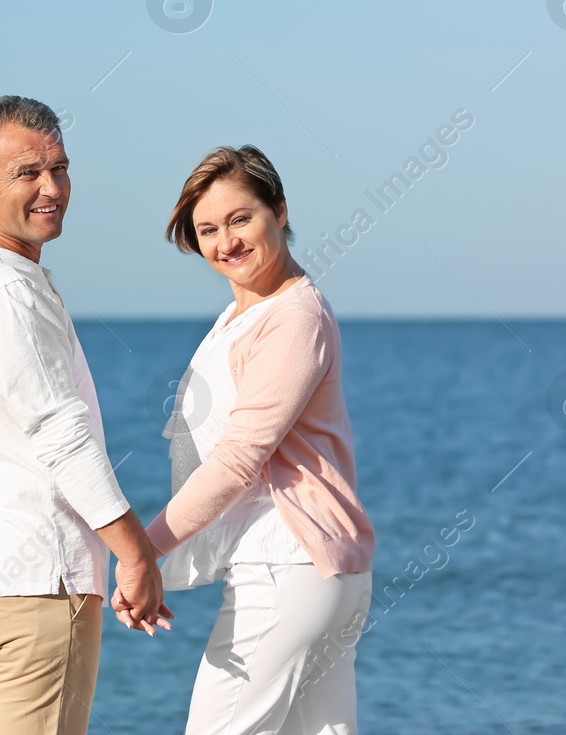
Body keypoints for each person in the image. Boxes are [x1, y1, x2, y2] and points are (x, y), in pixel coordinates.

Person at [0, 96, 171, 735]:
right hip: (32, 586)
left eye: (60, 168)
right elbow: (62, 434)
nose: (51, 188)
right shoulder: (5, 290)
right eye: (28, 172)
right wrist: (135, 553)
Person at [113, 145, 375, 734]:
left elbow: (236, 461)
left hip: (290, 565)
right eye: (207, 229)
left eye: (240, 219)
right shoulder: (244, 314)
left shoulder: (293, 318)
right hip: (313, 570)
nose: (225, 241)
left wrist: (143, 552)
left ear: (279, 212)